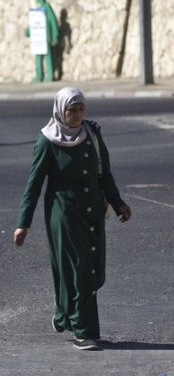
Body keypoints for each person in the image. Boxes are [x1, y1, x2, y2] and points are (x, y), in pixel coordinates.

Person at [13, 86, 132, 351]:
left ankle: (63, 312)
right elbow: (33, 184)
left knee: (95, 270)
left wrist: (118, 202)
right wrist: (24, 223)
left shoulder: (91, 133)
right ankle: (82, 330)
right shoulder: (47, 140)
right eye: (71, 110)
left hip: (92, 211)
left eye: (81, 109)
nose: (77, 115)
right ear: (60, 110)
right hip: (63, 214)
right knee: (78, 269)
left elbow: (104, 174)